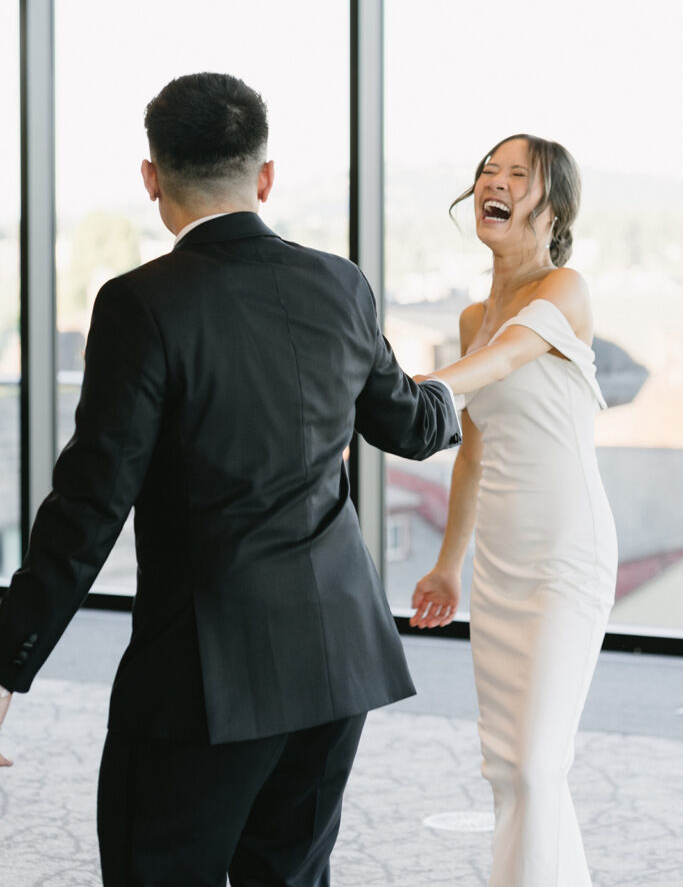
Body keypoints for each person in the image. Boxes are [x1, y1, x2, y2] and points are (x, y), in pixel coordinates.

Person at [0, 72, 460, 887]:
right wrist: (466, 382)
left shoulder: (140, 304)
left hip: (205, 677)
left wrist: (8, 656)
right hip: (335, 661)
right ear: (265, 175)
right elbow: (412, 426)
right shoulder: (341, 284)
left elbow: (91, 503)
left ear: (151, 178)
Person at [410, 134, 617, 887]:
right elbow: (472, 450)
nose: (494, 183)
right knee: (510, 768)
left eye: (516, 175)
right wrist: (445, 565)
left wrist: (420, 386)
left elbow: (502, 360)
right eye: (486, 172)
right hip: (499, 561)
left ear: (550, 205)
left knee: (535, 763)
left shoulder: (563, 291)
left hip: (566, 552)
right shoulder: (471, 316)